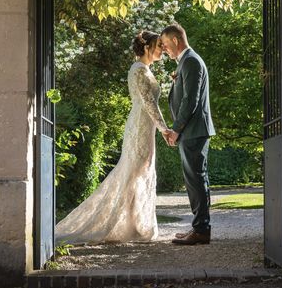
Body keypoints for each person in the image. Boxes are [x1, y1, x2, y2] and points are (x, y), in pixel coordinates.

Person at [55, 30, 168, 244]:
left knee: (140, 174)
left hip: (146, 126)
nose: (162, 49)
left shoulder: (145, 70)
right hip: (140, 126)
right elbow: (148, 102)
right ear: (146, 47)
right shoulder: (138, 70)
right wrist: (164, 128)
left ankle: (135, 225)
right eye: (158, 45)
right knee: (132, 173)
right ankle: (117, 225)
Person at [160, 23, 216, 245]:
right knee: (195, 179)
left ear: (175, 40)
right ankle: (199, 227)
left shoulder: (191, 61)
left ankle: (201, 230)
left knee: (196, 179)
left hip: (193, 131)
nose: (164, 49)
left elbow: (190, 101)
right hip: (192, 131)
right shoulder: (186, 61)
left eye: (165, 44)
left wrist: (175, 130)